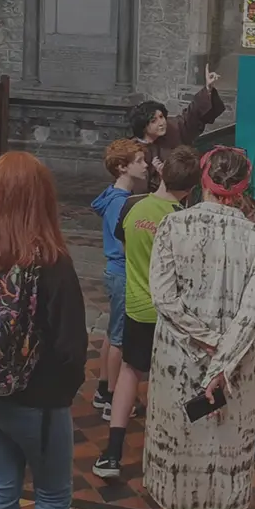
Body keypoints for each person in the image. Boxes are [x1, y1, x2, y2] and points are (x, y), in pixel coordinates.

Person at [0, 152, 87, 509]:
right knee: (51, 496)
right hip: (38, 400)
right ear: (42, 198)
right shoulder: (51, 262)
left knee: (0, 491)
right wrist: (61, 394)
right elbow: (70, 347)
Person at [144, 146, 255, 509]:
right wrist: (222, 359)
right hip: (235, 367)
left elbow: (163, 299)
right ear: (244, 186)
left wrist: (206, 341)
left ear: (204, 180)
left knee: (176, 450)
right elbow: (251, 314)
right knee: (231, 449)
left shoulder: (173, 226)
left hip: (177, 359)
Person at [92, 145, 201, 478]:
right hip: (171, 313)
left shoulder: (130, 206)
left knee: (130, 372)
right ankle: (165, 458)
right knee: (169, 382)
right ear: (191, 188)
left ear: (162, 173)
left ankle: (112, 453)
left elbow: (125, 246)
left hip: (139, 305)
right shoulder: (184, 220)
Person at [90, 139, 148, 419]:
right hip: (122, 271)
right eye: (140, 161)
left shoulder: (115, 197)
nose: (145, 165)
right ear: (123, 167)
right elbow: (123, 242)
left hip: (116, 272)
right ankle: (114, 397)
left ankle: (104, 387)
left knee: (112, 333)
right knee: (119, 339)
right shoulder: (120, 204)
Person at [128, 64, 226, 194]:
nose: (161, 122)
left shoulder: (173, 127)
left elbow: (192, 115)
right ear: (143, 126)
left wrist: (208, 88)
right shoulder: (133, 149)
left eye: (162, 117)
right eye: (154, 121)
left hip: (181, 194)